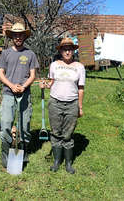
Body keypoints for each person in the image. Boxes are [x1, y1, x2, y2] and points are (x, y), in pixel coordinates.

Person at [0, 22, 39, 168]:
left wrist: (23, 86)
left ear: (24, 36)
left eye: (20, 34)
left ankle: (23, 154)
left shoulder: (30, 54)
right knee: (6, 123)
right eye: (15, 34)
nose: (18, 37)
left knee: (24, 126)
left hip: (24, 94)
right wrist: (12, 85)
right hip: (8, 93)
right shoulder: (6, 53)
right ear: (12, 36)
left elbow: (33, 75)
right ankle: (6, 155)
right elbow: (0, 73)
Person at [40, 37, 85, 174]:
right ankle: (56, 161)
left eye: (70, 49)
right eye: (65, 49)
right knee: (55, 132)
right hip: (55, 103)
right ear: (60, 51)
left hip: (72, 104)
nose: (67, 52)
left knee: (68, 134)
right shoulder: (54, 65)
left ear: (73, 51)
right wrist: (45, 85)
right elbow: (51, 82)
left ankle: (69, 163)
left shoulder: (79, 67)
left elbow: (81, 88)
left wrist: (80, 107)